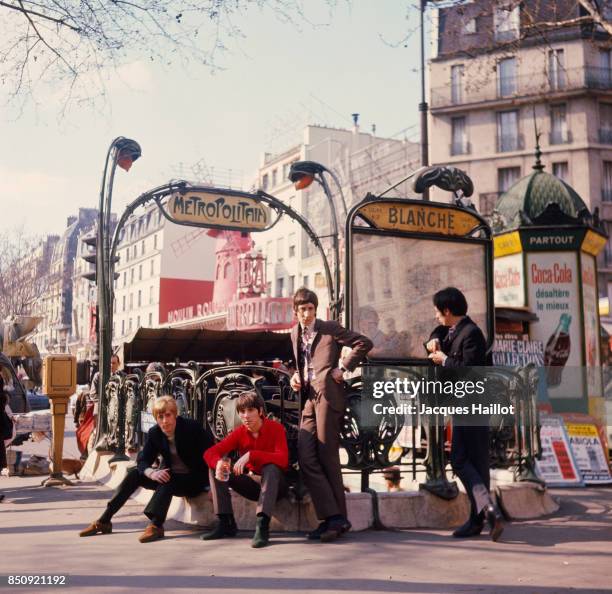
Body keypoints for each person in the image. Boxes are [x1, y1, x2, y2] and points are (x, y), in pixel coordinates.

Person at [290, 287, 373, 542]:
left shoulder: (329, 328)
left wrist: (343, 368)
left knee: (327, 455)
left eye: (311, 309)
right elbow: (303, 364)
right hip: (309, 400)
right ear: (295, 312)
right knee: (305, 455)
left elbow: (363, 343)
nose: (307, 314)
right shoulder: (294, 333)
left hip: (328, 396)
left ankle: (335, 520)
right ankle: (334, 517)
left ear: (316, 310)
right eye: (302, 310)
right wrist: (296, 376)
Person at [426, 286, 504, 542]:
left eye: (438, 312)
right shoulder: (455, 330)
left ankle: (486, 508)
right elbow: (438, 334)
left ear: (448, 311)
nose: (436, 316)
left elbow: (469, 371)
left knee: (459, 460)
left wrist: (445, 361)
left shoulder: (471, 334)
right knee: (477, 465)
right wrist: (433, 341)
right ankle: (481, 517)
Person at [79, 396, 211, 543]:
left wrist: (212, 485)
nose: (164, 421)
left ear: (175, 415)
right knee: (134, 473)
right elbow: (143, 459)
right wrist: (151, 473)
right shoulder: (156, 432)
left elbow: (211, 453)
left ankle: (156, 525)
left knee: (168, 478)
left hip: (194, 481)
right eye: (160, 417)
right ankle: (105, 520)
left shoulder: (191, 428)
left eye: (168, 415)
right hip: (171, 478)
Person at [202, 390, 289, 548]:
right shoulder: (239, 433)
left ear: (260, 411)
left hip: (276, 486)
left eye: (250, 410)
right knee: (216, 466)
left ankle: (262, 526)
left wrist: (252, 455)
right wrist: (218, 464)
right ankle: (225, 522)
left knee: (270, 467)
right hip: (254, 484)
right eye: (242, 412)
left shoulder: (276, 428)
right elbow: (210, 453)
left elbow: (283, 460)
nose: (246, 416)